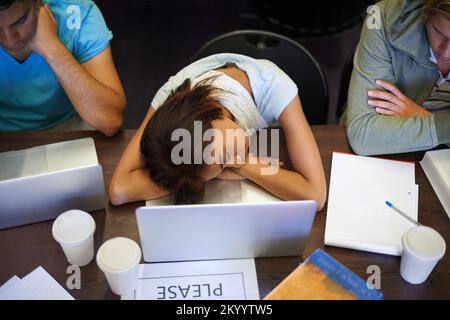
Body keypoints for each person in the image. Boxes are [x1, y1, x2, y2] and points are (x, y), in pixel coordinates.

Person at [109, 53, 327, 210]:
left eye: (224, 157)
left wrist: (236, 167)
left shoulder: (274, 86)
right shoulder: (169, 111)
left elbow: (315, 195)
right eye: (223, 165)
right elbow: (119, 190)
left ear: (210, 110)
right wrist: (247, 167)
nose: (235, 159)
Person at [0, 0, 126, 136]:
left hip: (69, 124)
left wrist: (52, 47)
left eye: (21, 20)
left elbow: (110, 120)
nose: (10, 40)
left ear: (38, 3)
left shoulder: (79, 12)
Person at [345, 0, 450, 155]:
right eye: (438, 32)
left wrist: (424, 119)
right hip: (388, 158)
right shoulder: (385, 18)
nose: (446, 53)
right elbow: (363, 133)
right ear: (427, 12)